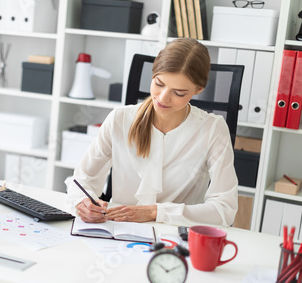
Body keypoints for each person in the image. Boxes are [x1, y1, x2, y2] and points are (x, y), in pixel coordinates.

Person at [65, 38, 238, 227]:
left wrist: (156, 212)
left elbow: (224, 209)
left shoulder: (212, 129)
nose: (163, 98)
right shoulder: (120, 119)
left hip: (175, 236)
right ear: (153, 74)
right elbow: (81, 180)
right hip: (117, 230)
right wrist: (82, 203)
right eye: (159, 84)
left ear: (199, 89)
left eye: (179, 93)